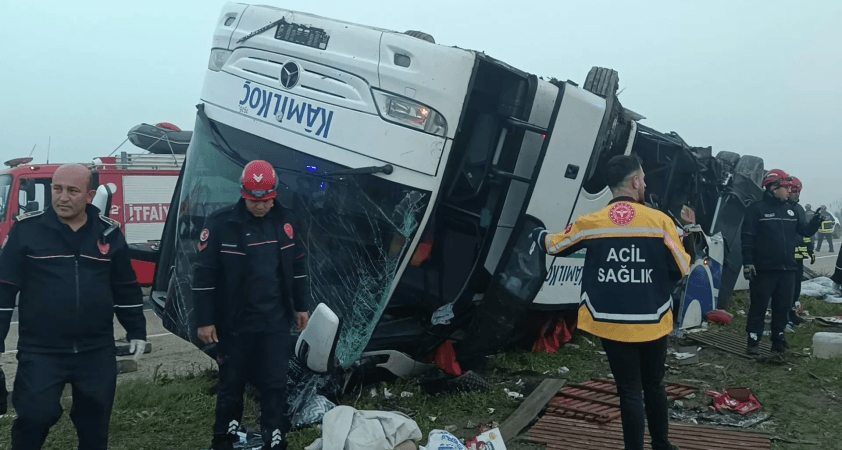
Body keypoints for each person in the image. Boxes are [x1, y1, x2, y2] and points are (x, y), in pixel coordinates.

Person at [530, 154, 689, 450]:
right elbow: (681, 267)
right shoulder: (660, 222)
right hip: (653, 320)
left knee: (629, 391)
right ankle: (662, 444)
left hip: (609, 321)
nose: (645, 184)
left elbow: (553, 245)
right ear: (636, 181)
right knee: (654, 385)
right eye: (644, 179)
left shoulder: (591, 223)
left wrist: (535, 232)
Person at [0, 164, 147, 450]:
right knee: (35, 416)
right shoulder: (26, 231)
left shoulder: (108, 233)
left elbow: (126, 286)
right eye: (57, 189)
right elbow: (4, 290)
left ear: (90, 196)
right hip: (41, 351)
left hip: (96, 351)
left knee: (94, 425)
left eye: (72, 191)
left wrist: (137, 330)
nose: (62, 197)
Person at [193, 160, 311, 450]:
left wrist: (301, 306)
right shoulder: (221, 224)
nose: (260, 206)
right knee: (231, 385)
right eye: (253, 200)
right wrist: (204, 320)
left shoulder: (287, 221)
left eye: (266, 200)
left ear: (275, 194)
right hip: (234, 323)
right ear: (243, 194)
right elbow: (203, 276)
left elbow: (298, 268)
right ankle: (224, 440)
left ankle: (275, 440)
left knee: (275, 384)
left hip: (275, 321)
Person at [741, 170, 821, 355]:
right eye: (786, 188)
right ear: (773, 188)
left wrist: (816, 222)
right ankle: (753, 342)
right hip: (764, 270)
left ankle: (778, 340)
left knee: (782, 307)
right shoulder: (756, 209)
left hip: (788, 269)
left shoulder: (792, 210)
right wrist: (748, 263)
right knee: (759, 307)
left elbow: (804, 231)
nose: (790, 191)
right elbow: (747, 238)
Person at [787, 177, 814, 328]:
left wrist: (810, 248)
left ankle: (792, 309)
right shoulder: (782, 208)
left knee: (796, 283)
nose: (797, 194)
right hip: (784, 254)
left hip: (798, 254)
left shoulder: (799, 209)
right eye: (794, 191)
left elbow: (805, 232)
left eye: (799, 191)